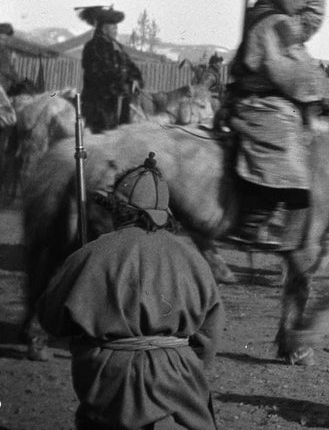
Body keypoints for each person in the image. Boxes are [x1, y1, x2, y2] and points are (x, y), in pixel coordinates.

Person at [37, 153, 224, 430]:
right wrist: (181, 364)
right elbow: (209, 334)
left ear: (118, 210)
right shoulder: (193, 258)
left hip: (108, 383)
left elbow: (51, 318)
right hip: (179, 385)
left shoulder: (90, 254)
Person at [224, 0, 329, 249]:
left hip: (263, 99)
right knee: (287, 154)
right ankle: (253, 220)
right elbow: (296, 68)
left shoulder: (276, 15)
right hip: (259, 105)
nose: (304, 3)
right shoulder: (274, 22)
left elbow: (301, 44)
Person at [78, 6, 144, 132]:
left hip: (120, 102)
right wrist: (121, 83)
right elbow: (97, 75)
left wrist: (135, 79)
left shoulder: (117, 47)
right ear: (103, 28)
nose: (116, 31)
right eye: (113, 27)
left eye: (116, 27)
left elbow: (131, 67)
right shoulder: (93, 47)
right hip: (98, 106)